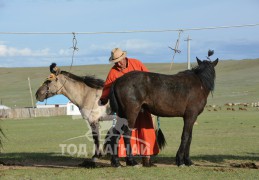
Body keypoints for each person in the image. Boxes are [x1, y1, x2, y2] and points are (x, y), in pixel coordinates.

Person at [100, 48, 159, 167]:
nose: (118, 63)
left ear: (124, 57)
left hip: (143, 105)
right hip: (126, 108)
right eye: (116, 62)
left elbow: (149, 79)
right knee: (125, 130)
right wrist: (104, 98)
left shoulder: (136, 63)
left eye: (119, 60)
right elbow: (107, 86)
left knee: (145, 130)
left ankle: (146, 159)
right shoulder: (113, 72)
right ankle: (126, 157)